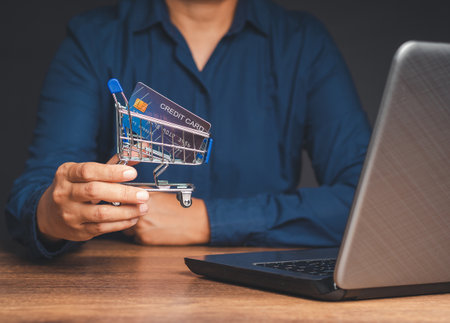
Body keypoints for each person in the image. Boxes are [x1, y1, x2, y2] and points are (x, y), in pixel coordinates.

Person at [6, 0, 371, 258]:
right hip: (126, 292)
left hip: (268, 290)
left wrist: (208, 220)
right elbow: (39, 188)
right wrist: (53, 214)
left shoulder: (302, 43)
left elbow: (368, 202)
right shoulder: (94, 38)